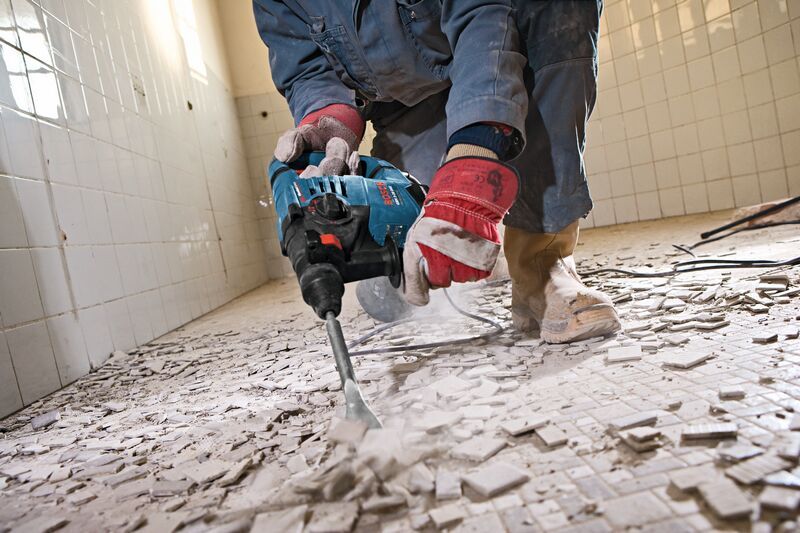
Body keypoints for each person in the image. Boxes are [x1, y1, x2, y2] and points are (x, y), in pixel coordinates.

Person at [253, 0, 621, 343]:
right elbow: (305, 68)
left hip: (495, 43)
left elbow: (482, 13)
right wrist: (328, 116)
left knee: (555, 7)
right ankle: (449, 259)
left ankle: (542, 263)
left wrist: (473, 158)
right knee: (406, 272)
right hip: (405, 106)